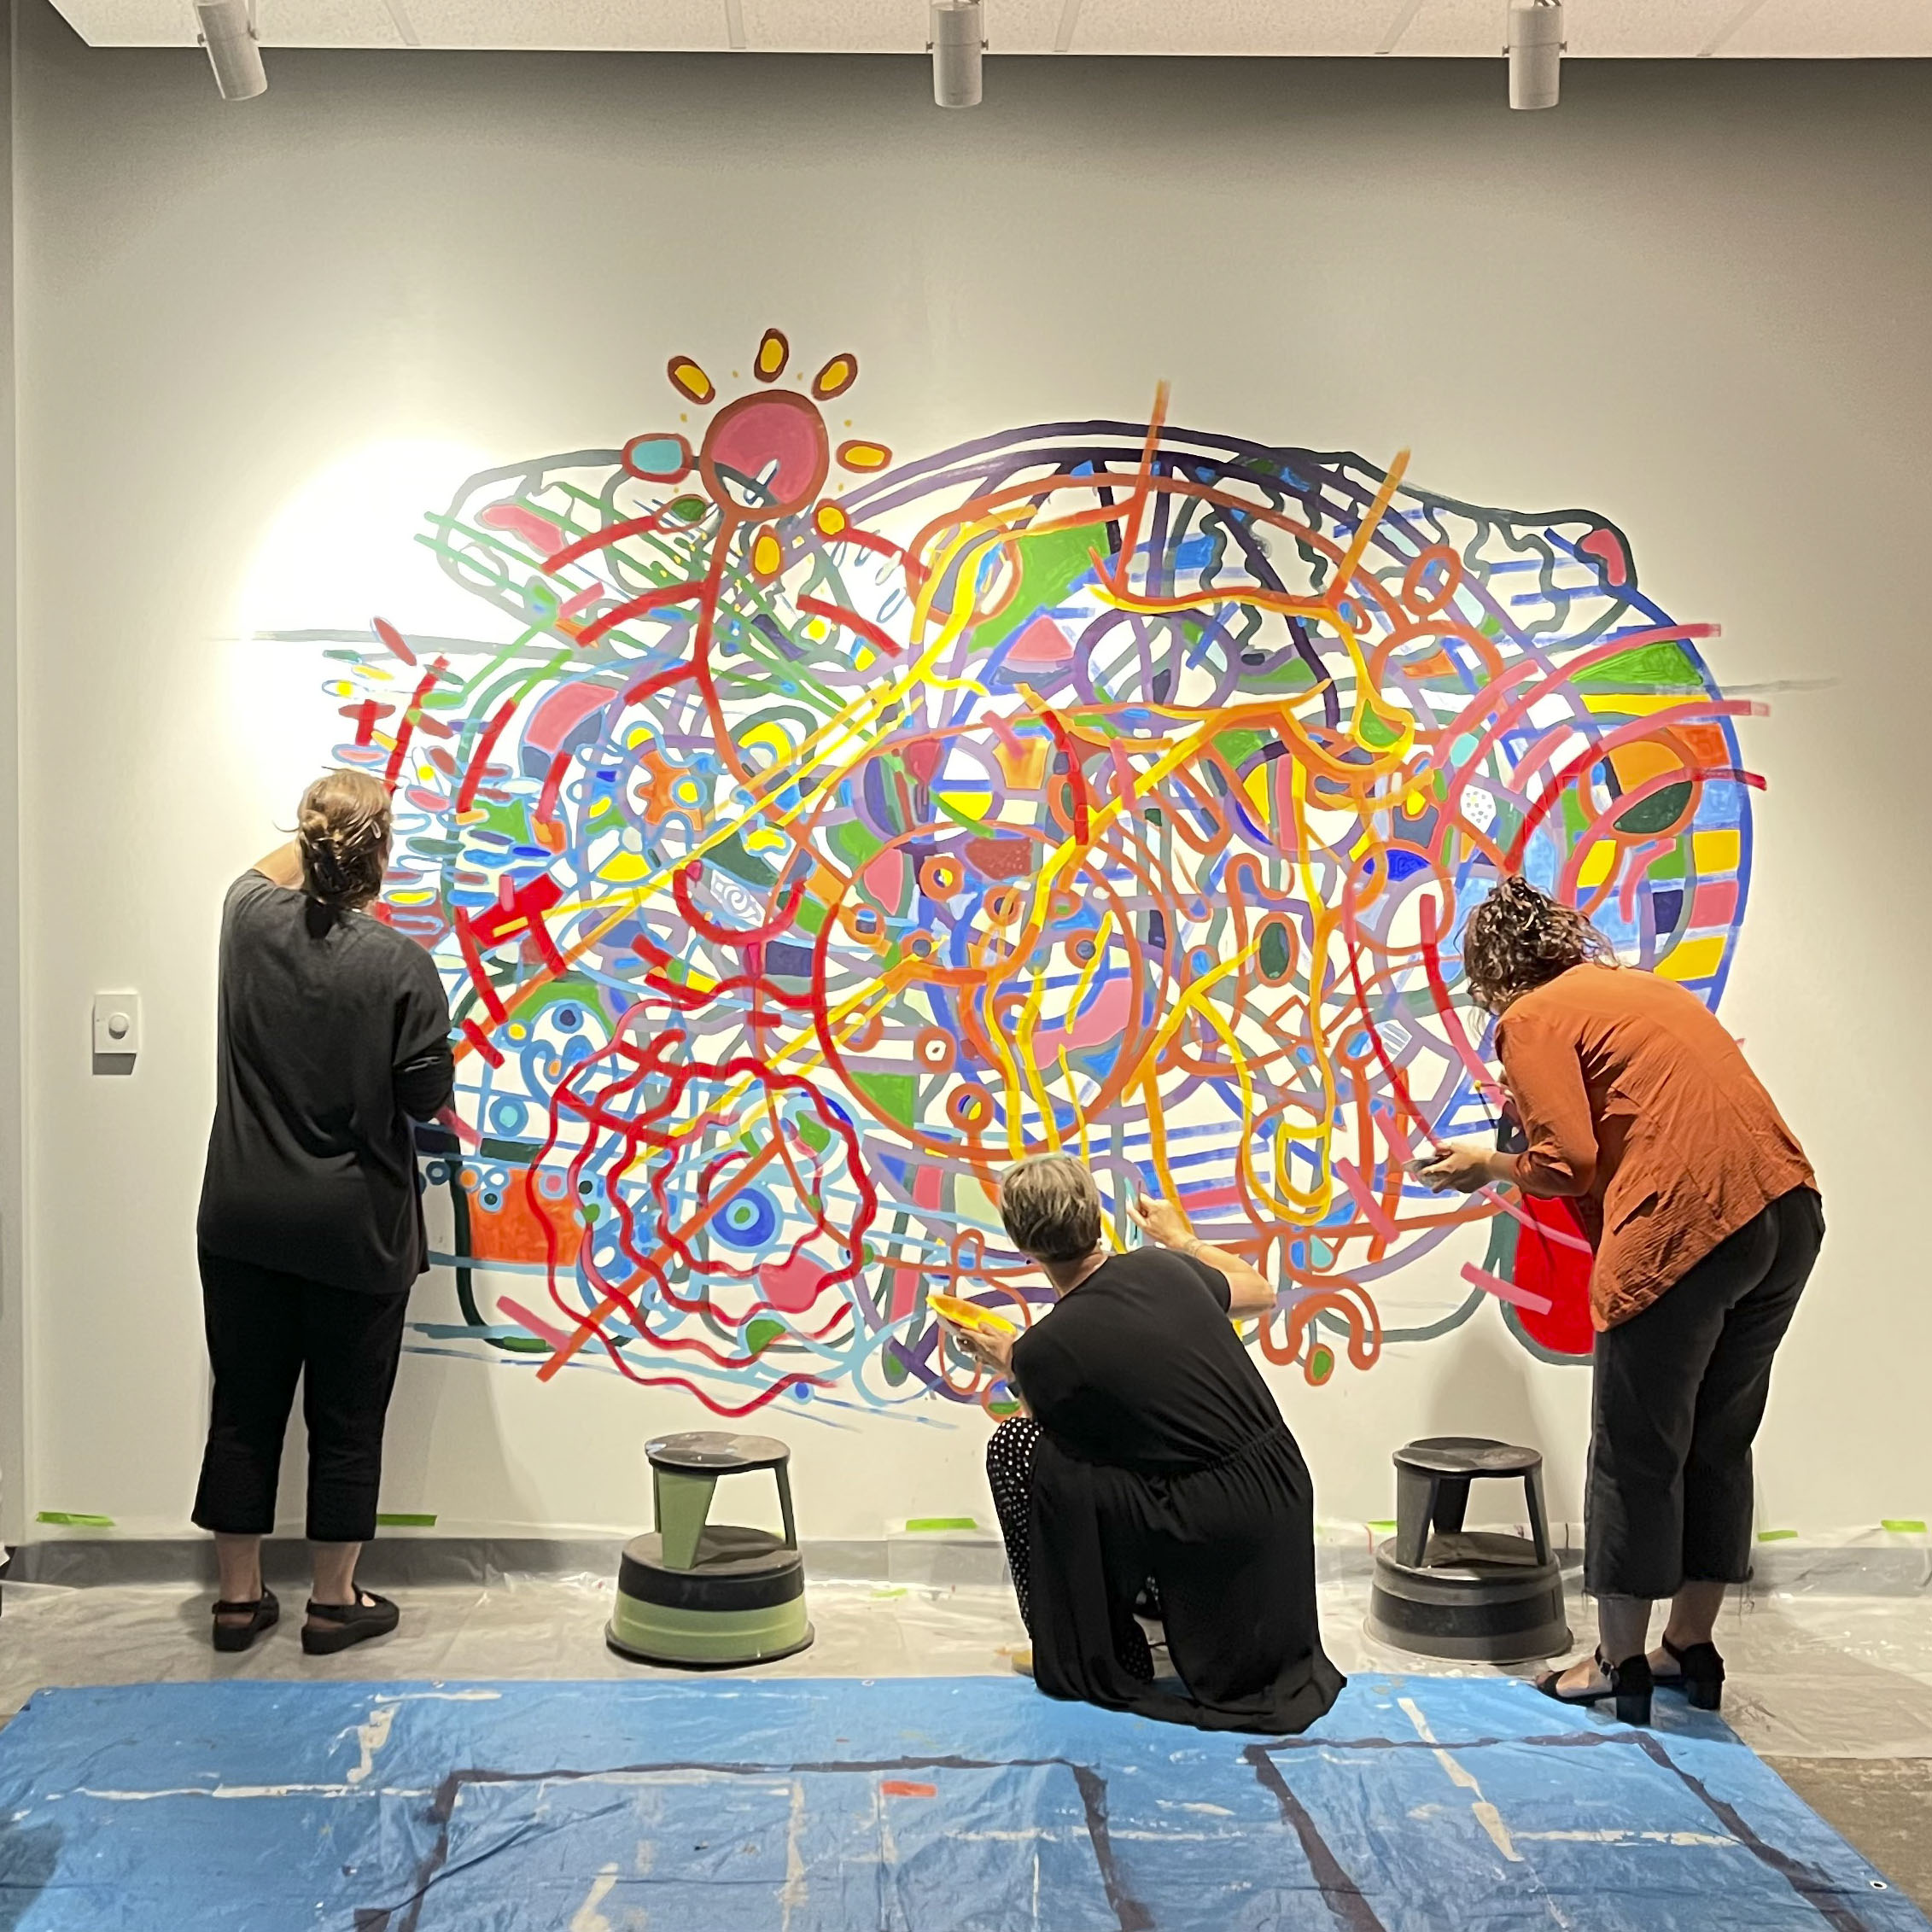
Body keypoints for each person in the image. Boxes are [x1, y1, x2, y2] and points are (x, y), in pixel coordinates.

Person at [1416, 876, 1819, 1725]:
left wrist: (1483, 1162)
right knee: (1718, 1438)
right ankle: (1689, 1648)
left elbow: (1567, 1162)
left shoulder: (1531, 1017)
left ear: (1491, 975)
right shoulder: (1639, 990)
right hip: (1783, 1209)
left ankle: (1617, 1662)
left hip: (1686, 1228)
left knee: (1635, 1451)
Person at [192, 769, 454, 1655]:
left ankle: (237, 1603)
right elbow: (425, 1104)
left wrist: (330, 830)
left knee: (244, 1406)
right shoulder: (403, 967)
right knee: (346, 1418)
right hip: (354, 1228)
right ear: (382, 853)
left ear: (306, 845)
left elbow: (259, 872)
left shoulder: (245, 919)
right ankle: (333, 1603)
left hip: (242, 1216)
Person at [947, 1153, 1345, 1734]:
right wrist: (1182, 1238)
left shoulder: (1046, 1347)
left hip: (1210, 1519)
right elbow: (1258, 1292)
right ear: (1095, 1216)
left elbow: (1056, 1432)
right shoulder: (1167, 1270)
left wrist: (1011, 1358)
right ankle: (1155, 1607)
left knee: (1017, 1447)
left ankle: (1081, 1640)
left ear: (1020, 1240)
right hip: (1279, 1485)